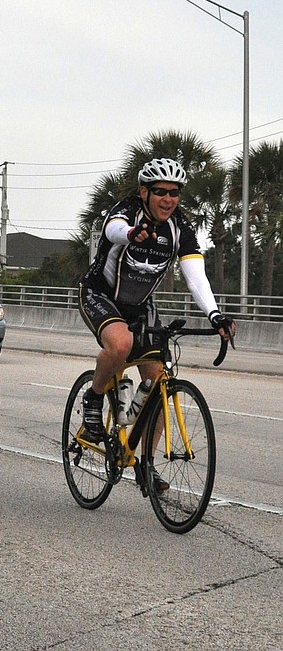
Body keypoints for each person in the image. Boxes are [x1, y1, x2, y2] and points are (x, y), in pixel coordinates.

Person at [76, 158, 235, 489]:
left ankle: (145, 463)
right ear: (144, 192)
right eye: (160, 192)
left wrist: (214, 314)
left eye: (175, 193)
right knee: (120, 345)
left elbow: (195, 276)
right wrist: (133, 234)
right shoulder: (128, 210)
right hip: (99, 294)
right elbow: (113, 230)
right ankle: (93, 397)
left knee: (158, 383)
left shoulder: (179, 228)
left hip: (139, 305)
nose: (168, 199)